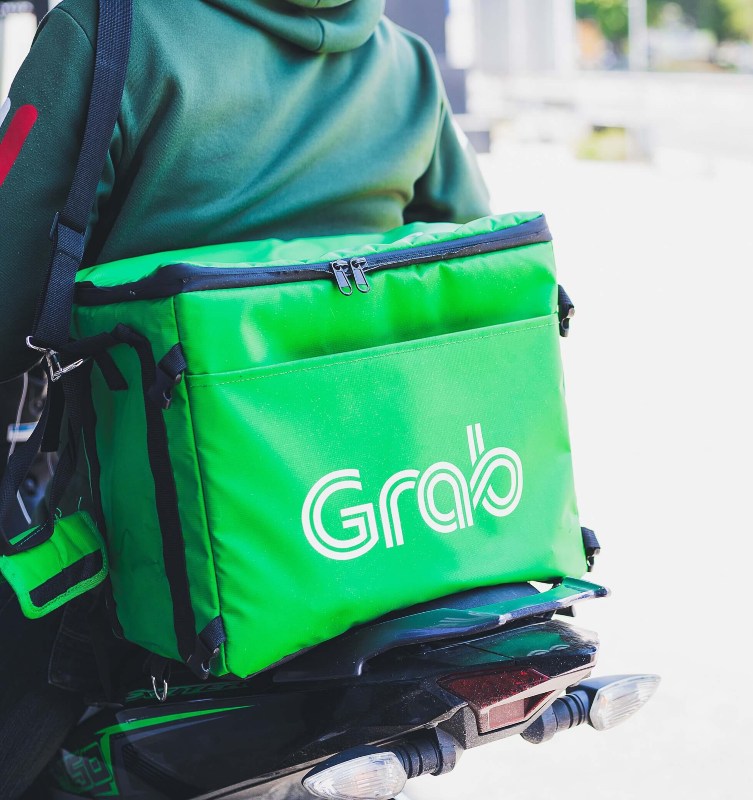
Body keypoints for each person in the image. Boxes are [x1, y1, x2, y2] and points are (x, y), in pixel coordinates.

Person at [0, 0, 491, 793]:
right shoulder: (405, 64)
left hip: (144, 564)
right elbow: (464, 273)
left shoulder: (112, 33)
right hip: (367, 535)